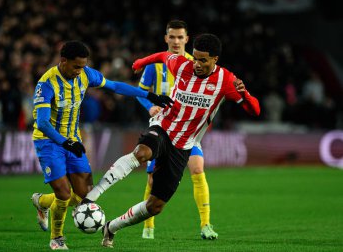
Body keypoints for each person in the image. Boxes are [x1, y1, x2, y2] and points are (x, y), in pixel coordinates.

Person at [82, 33, 260, 248]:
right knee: (141, 153)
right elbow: (162, 55)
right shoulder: (182, 65)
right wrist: (141, 62)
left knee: (155, 206)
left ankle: (111, 227)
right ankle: (91, 197)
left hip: (185, 145)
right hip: (163, 127)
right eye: (195, 57)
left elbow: (255, 110)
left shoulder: (226, 80)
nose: (197, 64)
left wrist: (246, 96)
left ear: (215, 60)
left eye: (203, 60)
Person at [30, 40, 173, 250]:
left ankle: (42, 202)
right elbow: (42, 122)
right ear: (63, 61)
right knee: (63, 193)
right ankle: (57, 238)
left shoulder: (86, 74)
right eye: (76, 66)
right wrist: (65, 142)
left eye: (83, 66)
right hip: (49, 142)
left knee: (82, 198)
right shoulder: (46, 84)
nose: (80, 71)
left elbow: (115, 86)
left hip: (73, 141)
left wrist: (149, 95)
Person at [136, 20, 217, 240]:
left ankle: (206, 225)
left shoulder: (197, 63)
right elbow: (140, 92)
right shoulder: (156, 65)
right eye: (172, 37)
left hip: (188, 131)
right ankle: (148, 227)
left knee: (198, 169)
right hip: (164, 127)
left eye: (180, 37)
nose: (176, 41)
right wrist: (150, 106)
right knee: (153, 179)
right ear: (166, 38)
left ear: (187, 40)